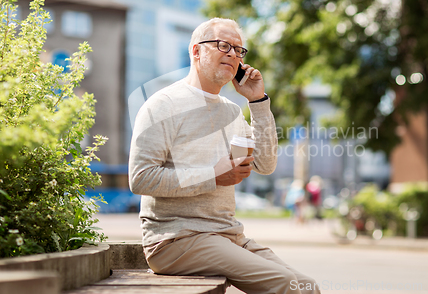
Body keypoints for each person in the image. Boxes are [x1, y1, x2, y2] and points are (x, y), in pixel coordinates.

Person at [129, 18, 321, 294]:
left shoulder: (232, 111)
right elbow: (141, 179)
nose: (232, 54)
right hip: (176, 240)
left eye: (239, 50)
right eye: (223, 45)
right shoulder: (162, 105)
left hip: (228, 236)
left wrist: (257, 102)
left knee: (306, 287)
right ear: (196, 51)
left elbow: (265, 165)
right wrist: (213, 175)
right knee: (285, 287)